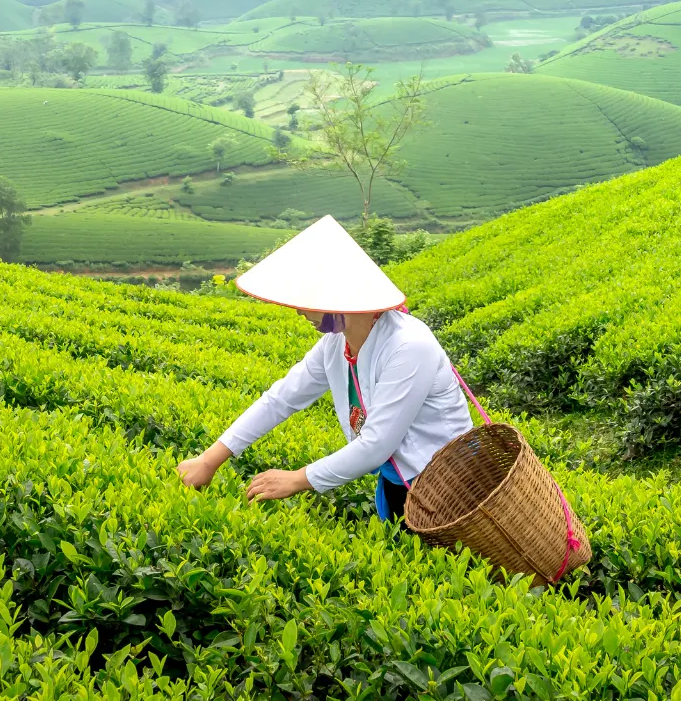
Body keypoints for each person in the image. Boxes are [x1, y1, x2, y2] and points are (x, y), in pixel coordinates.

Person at [176, 215, 473, 521]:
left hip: (453, 489)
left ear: (340, 297)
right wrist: (210, 459)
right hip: (402, 484)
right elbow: (282, 398)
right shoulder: (337, 345)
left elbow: (377, 445)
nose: (300, 311)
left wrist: (297, 479)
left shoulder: (409, 346)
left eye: (309, 300)